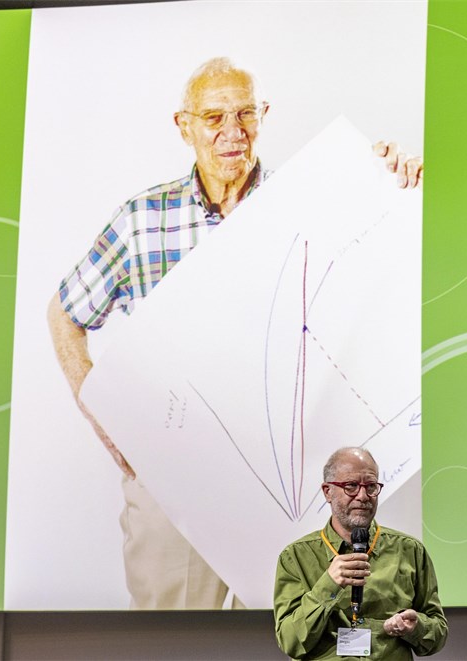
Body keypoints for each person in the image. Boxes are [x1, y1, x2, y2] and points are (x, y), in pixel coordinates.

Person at [47, 57, 422, 609]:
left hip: (286, 478)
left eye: (246, 113)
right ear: (184, 125)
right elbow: (64, 315)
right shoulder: (141, 219)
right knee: (167, 641)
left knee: (290, 630)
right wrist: (102, 414)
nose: (232, 131)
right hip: (171, 477)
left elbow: (367, 264)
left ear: (264, 115)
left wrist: (386, 176)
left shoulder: (302, 198)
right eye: (214, 115)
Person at [274, 447, 447, 660]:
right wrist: (328, 584)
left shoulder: (410, 550)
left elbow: (438, 633)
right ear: (327, 492)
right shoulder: (296, 557)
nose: (363, 496)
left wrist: (416, 627)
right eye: (351, 486)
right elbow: (290, 641)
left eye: (371, 486)